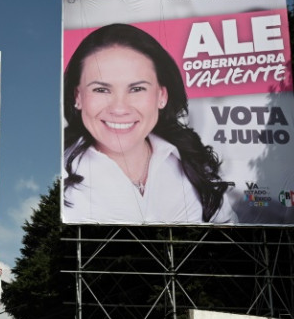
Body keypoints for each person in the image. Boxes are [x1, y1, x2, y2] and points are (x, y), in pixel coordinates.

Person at [62, 23, 235, 224]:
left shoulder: (192, 162)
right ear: (78, 97)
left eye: (137, 89)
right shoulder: (60, 174)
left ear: (162, 95)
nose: (119, 108)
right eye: (101, 90)